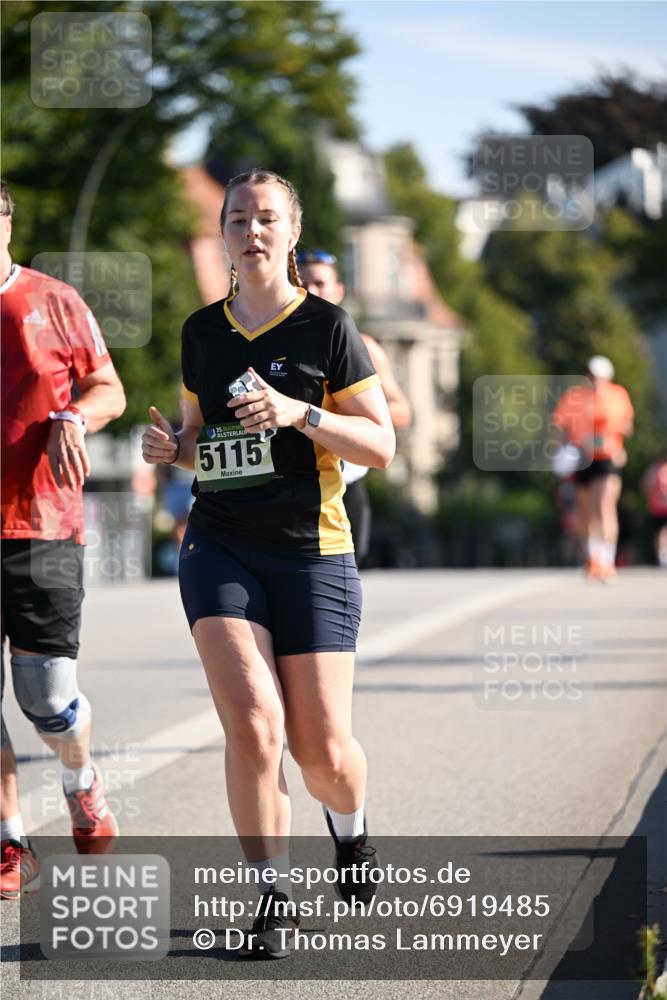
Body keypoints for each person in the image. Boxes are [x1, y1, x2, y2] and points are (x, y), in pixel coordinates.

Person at [141, 169, 394, 957]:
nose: (251, 232)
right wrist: (169, 450)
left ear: (291, 233)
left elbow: (382, 445)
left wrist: (300, 412)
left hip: (311, 549)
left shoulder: (327, 328)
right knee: (253, 725)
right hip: (219, 542)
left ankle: (349, 834)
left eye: (266, 220)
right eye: (238, 218)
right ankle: (270, 896)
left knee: (320, 751)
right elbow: (202, 446)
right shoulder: (200, 332)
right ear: (221, 233)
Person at [1, 179, 126, 898]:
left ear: (7, 221)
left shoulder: (53, 300)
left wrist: (73, 418)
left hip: (43, 526)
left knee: (47, 700)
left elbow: (107, 385)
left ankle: (80, 778)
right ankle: (11, 841)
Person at [297, 249, 412, 566]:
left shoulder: (363, 346)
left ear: (338, 291)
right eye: (303, 283)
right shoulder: (275, 345)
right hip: (295, 484)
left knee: (342, 582)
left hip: (347, 484)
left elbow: (401, 410)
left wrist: (342, 417)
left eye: (320, 283)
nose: (312, 292)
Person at [553, 355, 634, 580]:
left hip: (607, 458)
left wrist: (614, 439)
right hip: (582, 459)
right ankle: (592, 558)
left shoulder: (618, 395)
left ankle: (607, 560)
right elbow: (563, 427)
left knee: (604, 506)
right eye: (591, 375)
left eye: (599, 376)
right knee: (585, 512)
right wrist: (563, 452)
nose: (595, 380)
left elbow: (627, 425)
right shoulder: (575, 397)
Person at [642, 452, 667, 568]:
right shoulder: (654, 469)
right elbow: (646, 486)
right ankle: (661, 556)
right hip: (657, 506)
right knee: (659, 532)